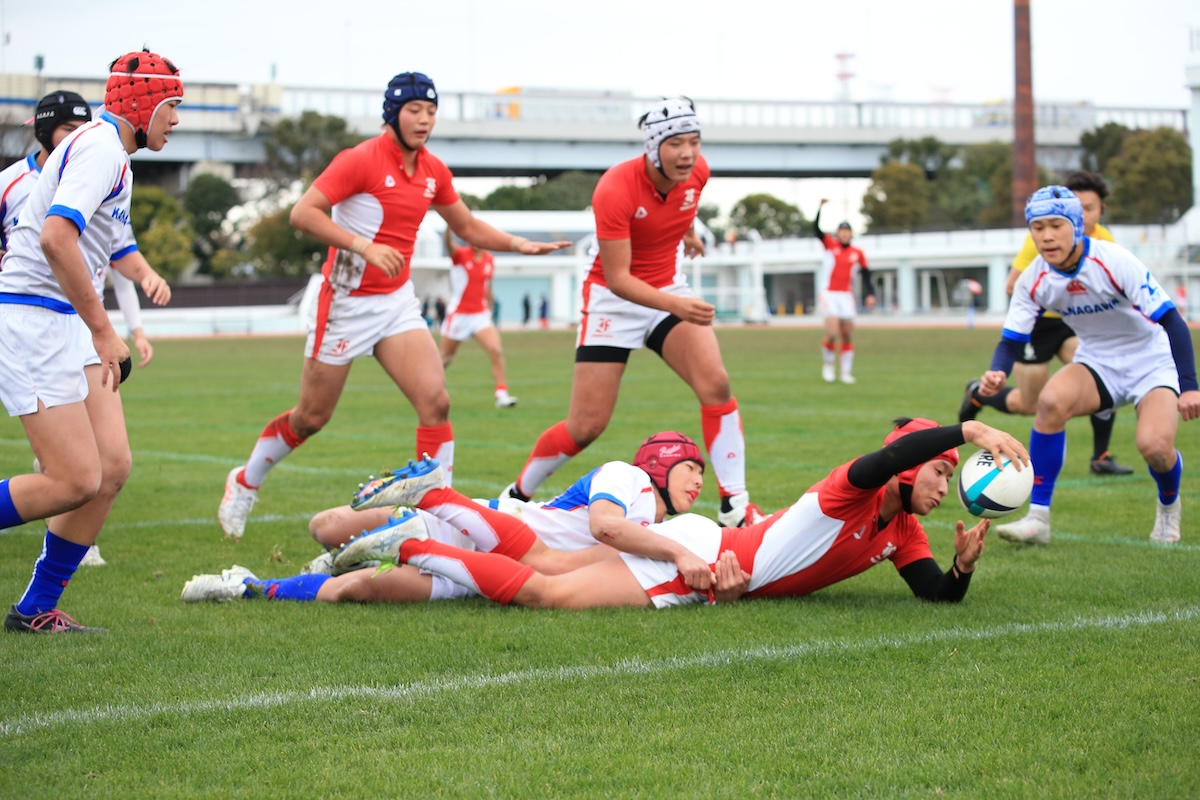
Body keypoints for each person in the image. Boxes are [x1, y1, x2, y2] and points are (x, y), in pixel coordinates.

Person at [217, 72, 568, 539]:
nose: (424, 120)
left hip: (397, 304)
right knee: (311, 417)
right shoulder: (359, 159)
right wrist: (364, 247)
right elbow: (303, 213)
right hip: (344, 302)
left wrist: (518, 244)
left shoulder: (433, 170)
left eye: (431, 111)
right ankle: (244, 481)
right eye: (414, 111)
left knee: (436, 403)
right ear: (392, 114)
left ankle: (443, 517)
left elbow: (466, 226)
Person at [350, 418, 1024, 610]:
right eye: (939, 473)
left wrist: (960, 570)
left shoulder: (903, 531)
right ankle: (414, 543)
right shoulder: (850, 491)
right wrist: (967, 433)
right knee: (548, 593)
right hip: (703, 558)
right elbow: (882, 460)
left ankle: (428, 509)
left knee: (547, 563)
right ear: (909, 467)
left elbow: (933, 595)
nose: (946, 486)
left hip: (707, 541)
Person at [506, 97, 763, 528]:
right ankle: (516, 497)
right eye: (677, 143)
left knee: (715, 383)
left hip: (666, 289)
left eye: (695, 142)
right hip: (614, 299)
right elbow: (620, 278)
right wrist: (678, 304)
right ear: (653, 147)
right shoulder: (615, 188)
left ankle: (734, 506)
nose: (688, 153)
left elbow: (683, 206)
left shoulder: (697, 172)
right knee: (586, 425)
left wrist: (691, 234)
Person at [0, 50, 182, 633]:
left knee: (111, 467)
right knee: (73, 479)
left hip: (64, 321)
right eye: (172, 107)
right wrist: (106, 330)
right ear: (146, 104)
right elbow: (56, 238)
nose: (176, 121)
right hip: (33, 319)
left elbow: (99, 249)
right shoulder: (103, 147)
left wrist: (102, 320)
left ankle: (34, 610)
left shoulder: (110, 153)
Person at [182, 432, 710, 604]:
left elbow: (574, 569)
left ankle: (247, 587)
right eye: (692, 468)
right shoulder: (629, 479)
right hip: (483, 525)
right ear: (660, 461)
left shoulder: (665, 534)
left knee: (360, 590)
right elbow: (604, 527)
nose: (698, 483)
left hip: (488, 570)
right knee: (325, 525)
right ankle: (412, 516)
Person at [974, 186, 1199, 546]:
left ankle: (1169, 507)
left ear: (1076, 226)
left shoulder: (1113, 260)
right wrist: (998, 370)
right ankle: (1039, 519)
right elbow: (1011, 340)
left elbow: (1172, 320)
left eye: (1056, 225)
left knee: (1155, 447)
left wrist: (1189, 385)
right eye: (1038, 227)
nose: (1046, 236)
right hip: (1097, 361)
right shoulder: (1033, 279)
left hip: (1151, 362)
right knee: (1048, 403)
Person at [958, 171, 1133, 476]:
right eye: (1078, 206)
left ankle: (1100, 456)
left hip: (1073, 325)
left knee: (1104, 373)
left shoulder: (1105, 241)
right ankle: (977, 392)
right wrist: (1044, 306)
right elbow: (1013, 285)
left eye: (1089, 208)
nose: (1083, 213)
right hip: (1038, 326)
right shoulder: (1042, 238)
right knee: (1029, 404)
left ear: (1100, 210)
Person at [440, 226, 517, 408]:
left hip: (479, 315)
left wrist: (489, 309)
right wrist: (449, 225)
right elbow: (448, 244)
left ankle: (501, 394)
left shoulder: (490, 260)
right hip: (459, 315)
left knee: (495, 350)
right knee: (444, 358)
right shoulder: (460, 255)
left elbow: (488, 287)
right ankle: (428, 390)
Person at [813, 199, 874, 384]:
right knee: (832, 332)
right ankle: (829, 365)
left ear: (851, 234)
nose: (844, 234)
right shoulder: (831, 245)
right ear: (838, 233)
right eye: (842, 231)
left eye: (847, 232)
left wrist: (870, 294)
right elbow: (815, 229)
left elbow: (866, 274)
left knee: (847, 333)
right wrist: (820, 208)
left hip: (846, 295)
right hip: (829, 293)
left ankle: (846, 372)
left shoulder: (858, 253)